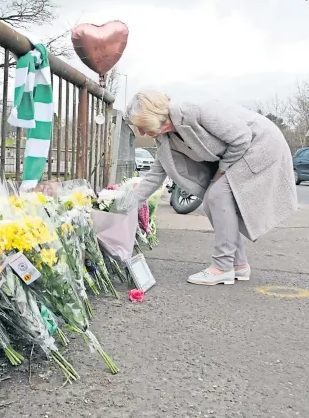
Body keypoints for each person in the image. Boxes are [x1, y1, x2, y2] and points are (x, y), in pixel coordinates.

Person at [125, 90, 297, 285]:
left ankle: (222, 267)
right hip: (241, 151)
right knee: (211, 200)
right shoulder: (165, 139)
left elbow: (241, 139)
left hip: (261, 144)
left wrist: (219, 175)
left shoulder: (194, 110)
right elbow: (155, 174)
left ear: (151, 115)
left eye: (141, 125)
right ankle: (238, 265)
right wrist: (125, 206)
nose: (141, 132)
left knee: (216, 194)